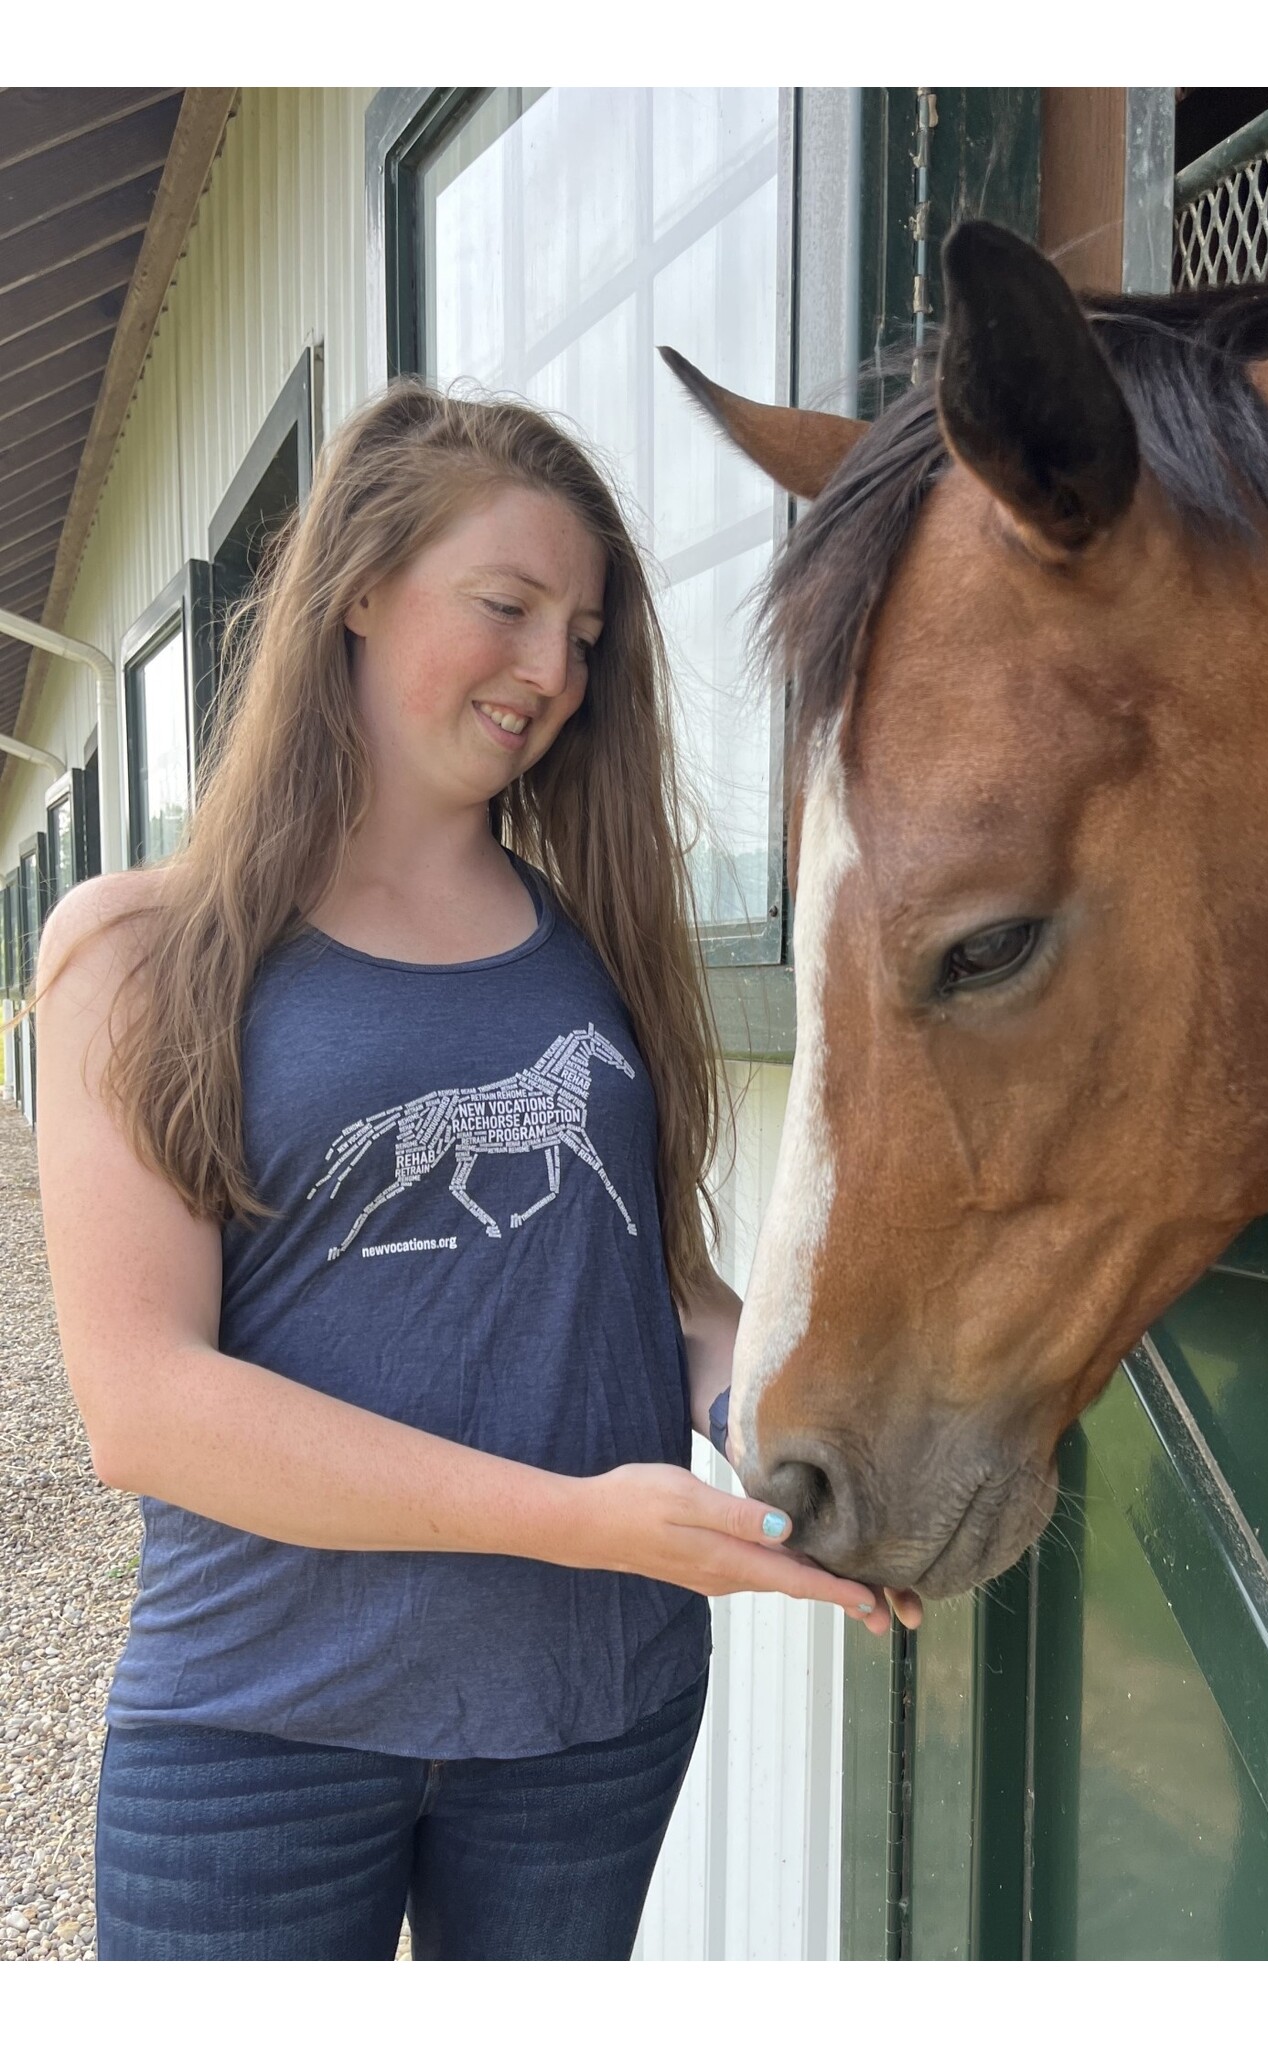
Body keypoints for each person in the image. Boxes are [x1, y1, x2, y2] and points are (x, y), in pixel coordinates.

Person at [32, 382, 913, 1962]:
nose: (552, 673)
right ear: (359, 590)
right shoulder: (137, 948)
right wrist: (577, 1518)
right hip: (260, 1728)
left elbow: (670, 1299)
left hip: (588, 1720)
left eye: (583, 636)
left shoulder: (596, 952)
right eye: (506, 607)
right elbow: (142, 1406)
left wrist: (798, 1459)